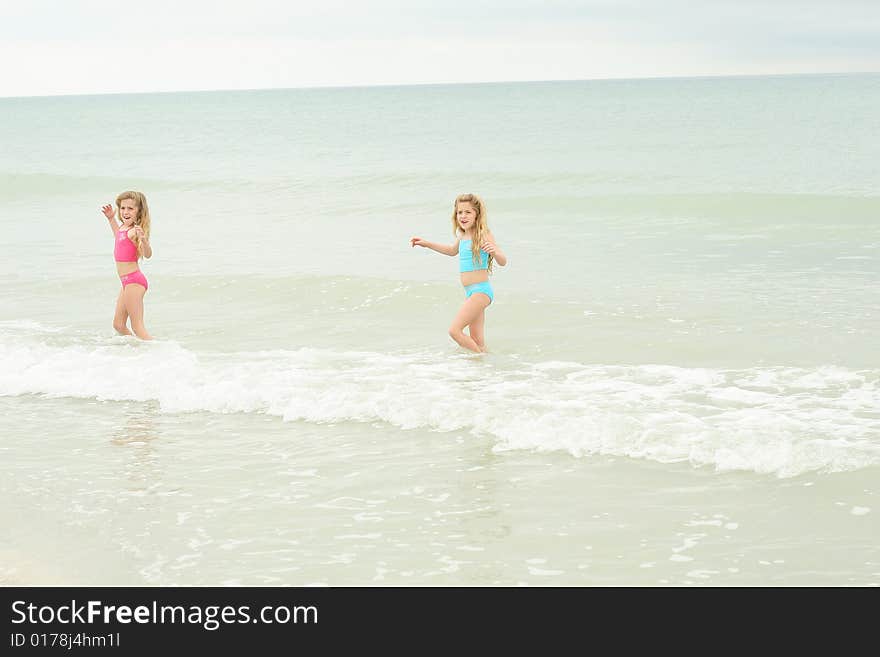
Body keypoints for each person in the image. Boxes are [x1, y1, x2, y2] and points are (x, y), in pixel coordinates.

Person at [411, 193, 507, 353]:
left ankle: (480, 359)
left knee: (454, 331)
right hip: (471, 293)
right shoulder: (462, 235)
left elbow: (503, 261)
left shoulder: (483, 234)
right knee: (477, 341)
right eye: (459, 212)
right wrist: (427, 244)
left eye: (468, 212)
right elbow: (451, 251)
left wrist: (495, 252)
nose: (463, 216)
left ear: (477, 214)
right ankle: (484, 370)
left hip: (481, 292)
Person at [100, 191, 153, 340]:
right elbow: (118, 235)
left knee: (137, 327)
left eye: (130, 208)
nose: (125, 212)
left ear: (139, 211)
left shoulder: (135, 232)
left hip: (134, 282)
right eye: (123, 208)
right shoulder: (123, 228)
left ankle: (160, 353)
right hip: (126, 282)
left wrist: (143, 240)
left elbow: (147, 254)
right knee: (118, 325)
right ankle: (138, 349)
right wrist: (111, 219)